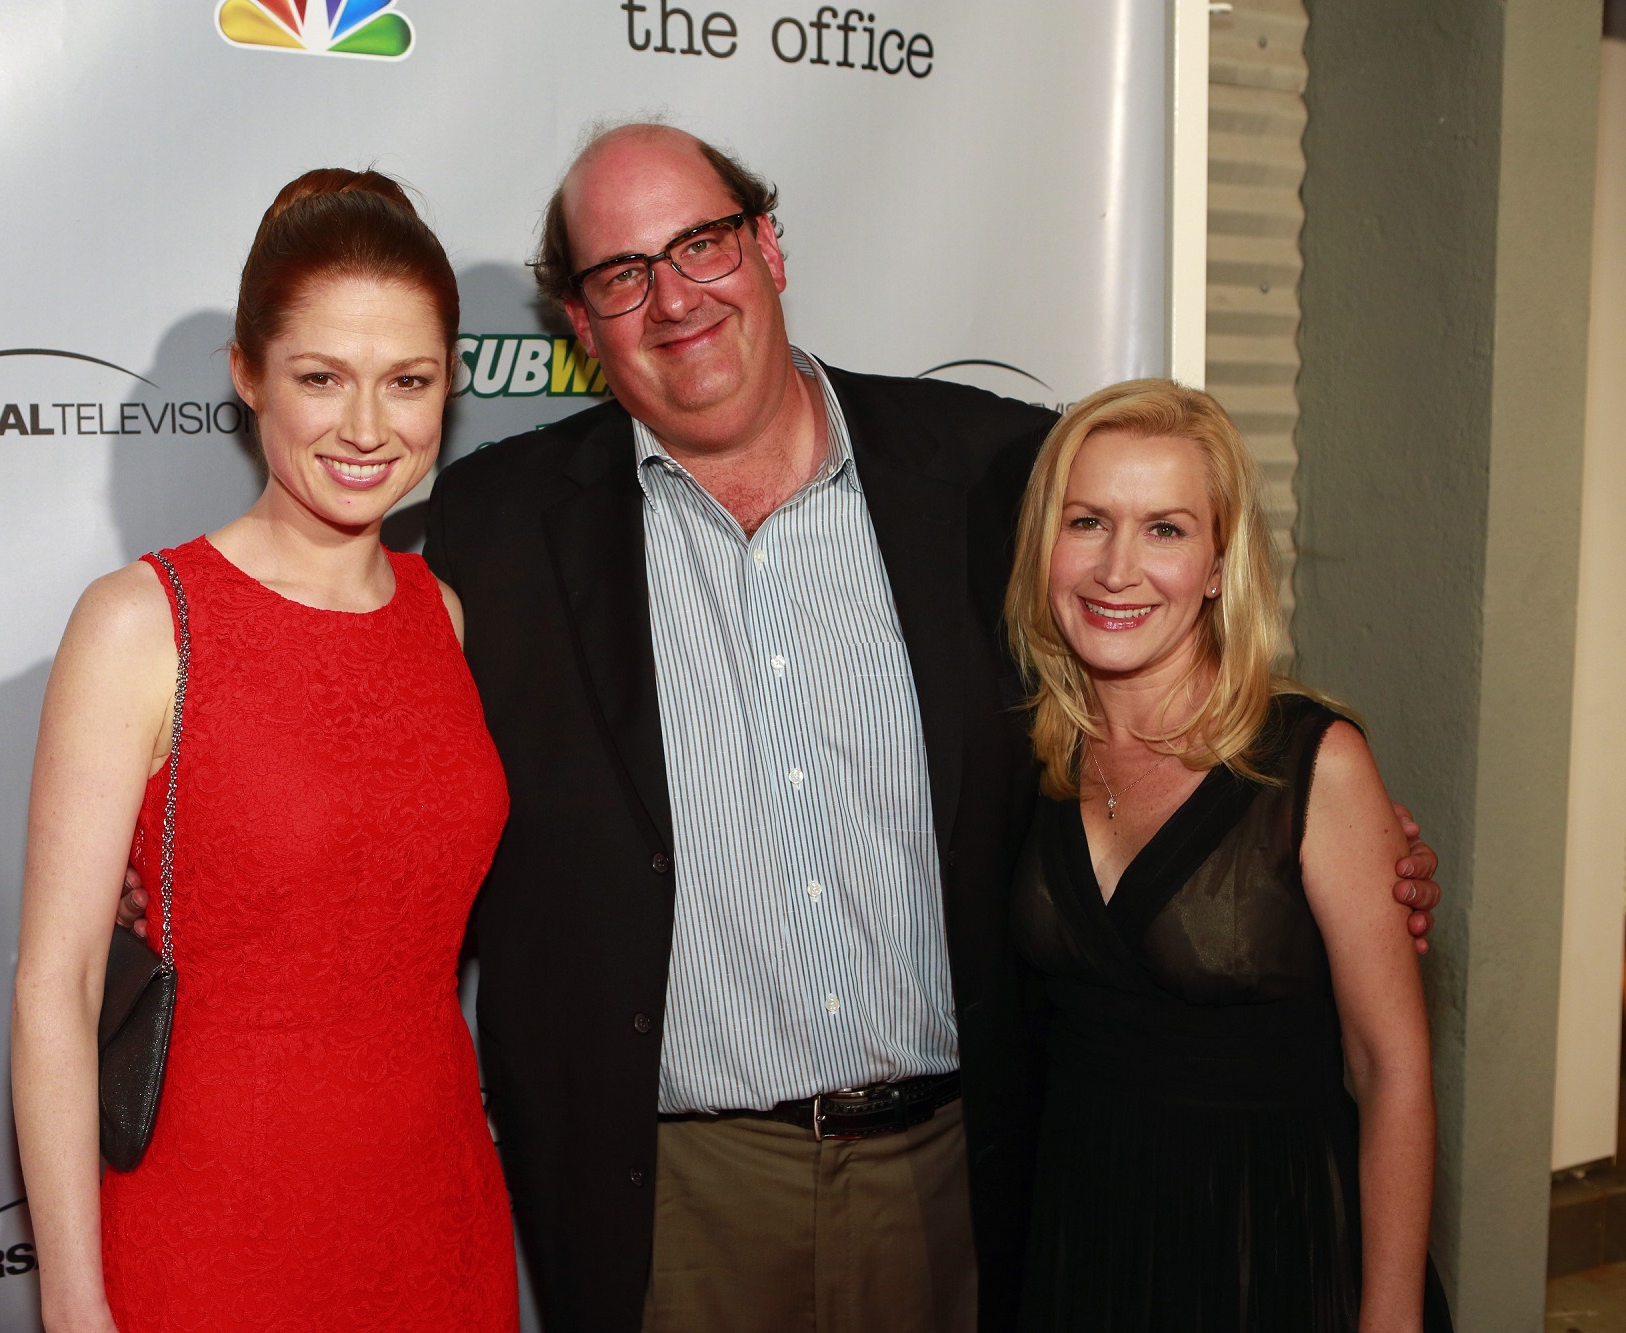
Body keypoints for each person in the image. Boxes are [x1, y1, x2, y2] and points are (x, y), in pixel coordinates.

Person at [117, 124, 1442, 1331]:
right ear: (580, 325)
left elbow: (1142, 663)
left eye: (702, 243)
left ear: (767, 246)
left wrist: (1300, 851)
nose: (674, 298)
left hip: (963, 1177)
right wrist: (186, 866)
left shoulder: (992, 473)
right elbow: (375, 764)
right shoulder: (494, 528)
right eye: (621, 274)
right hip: (674, 1203)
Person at [11, 169, 518, 1332]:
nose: (366, 427)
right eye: (319, 378)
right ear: (248, 375)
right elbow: (56, 987)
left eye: (407, 381)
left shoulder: (439, 613)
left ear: (450, 383)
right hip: (215, 1230)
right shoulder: (141, 622)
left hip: (439, 1213)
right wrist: (74, 1302)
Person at [1003, 380, 1448, 1331]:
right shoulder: (1028, 756)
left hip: (1272, 1247)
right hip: (1084, 1242)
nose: (1117, 569)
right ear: (1046, 544)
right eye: (1087, 521)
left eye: (1165, 529)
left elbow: (1391, 1068)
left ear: (1217, 565)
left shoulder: (1312, 761)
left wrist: (1391, 1315)